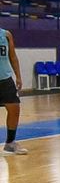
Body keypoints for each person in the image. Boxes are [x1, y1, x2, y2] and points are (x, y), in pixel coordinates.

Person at [0, 24, 25, 155]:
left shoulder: (6, 35)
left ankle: (10, 143)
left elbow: (13, 56)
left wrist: (18, 76)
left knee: (14, 108)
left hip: (5, 78)